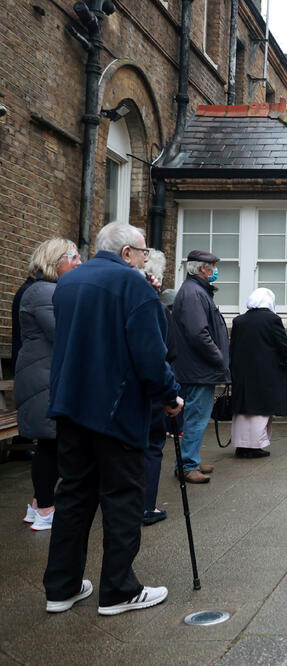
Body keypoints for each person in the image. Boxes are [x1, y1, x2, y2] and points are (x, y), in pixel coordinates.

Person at [43, 222, 182, 616]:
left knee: (73, 495)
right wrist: (170, 395)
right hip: (116, 410)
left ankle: (61, 588)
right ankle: (119, 590)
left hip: (71, 407)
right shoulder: (132, 284)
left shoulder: (68, 284)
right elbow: (150, 356)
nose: (144, 260)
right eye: (141, 252)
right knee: (122, 497)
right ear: (125, 254)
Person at [16, 239, 82, 531]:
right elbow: (64, 332)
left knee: (50, 444)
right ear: (56, 261)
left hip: (43, 375)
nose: (79, 263)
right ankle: (45, 510)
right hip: (44, 379)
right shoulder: (44, 291)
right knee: (50, 445)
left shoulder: (43, 290)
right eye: (74, 257)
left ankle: (36, 506)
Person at [171, 250, 230, 483]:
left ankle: (188, 459)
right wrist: (218, 358)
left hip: (193, 368)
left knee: (194, 417)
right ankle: (187, 465)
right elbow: (198, 334)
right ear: (202, 268)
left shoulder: (194, 291)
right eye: (213, 266)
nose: (215, 270)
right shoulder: (195, 293)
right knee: (197, 417)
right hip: (199, 370)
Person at [229, 288, 287, 458]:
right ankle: (254, 446)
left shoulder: (239, 320)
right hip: (265, 373)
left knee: (243, 410)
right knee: (260, 411)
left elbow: (232, 348)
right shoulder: (272, 319)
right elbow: (284, 345)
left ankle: (241, 445)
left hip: (242, 373)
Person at [141, 249, 171, 526]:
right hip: (146, 393)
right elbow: (156, 355)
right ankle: (146, 506)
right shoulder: (152, 306)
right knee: (151, 447)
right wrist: (171, 395)